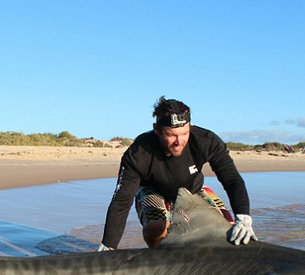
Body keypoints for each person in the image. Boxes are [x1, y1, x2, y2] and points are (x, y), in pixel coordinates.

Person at [99, 96, 257, 250]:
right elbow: (121, 201)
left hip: (192, 191)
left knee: (228, 229)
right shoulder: (138, 153)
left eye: (184, 133)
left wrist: (243, 217)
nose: (179, 141)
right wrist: (108, 245)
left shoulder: (206, 141)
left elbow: (232, 180)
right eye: (171, 135)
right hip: (153, 192)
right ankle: (162, 266)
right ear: (157, 130)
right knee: (157, 229)